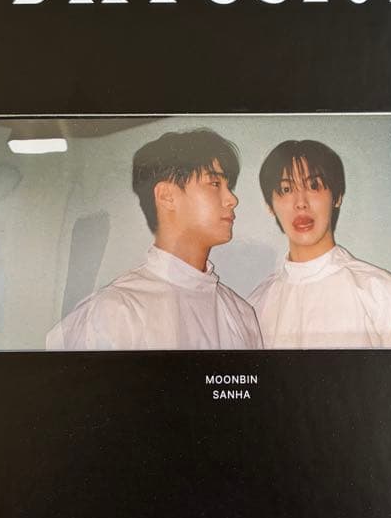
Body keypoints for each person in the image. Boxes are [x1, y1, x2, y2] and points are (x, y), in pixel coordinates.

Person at [46, 128, 262, 351]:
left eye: (228, 187)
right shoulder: (113, 314)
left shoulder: (241, 315)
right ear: (166, 196)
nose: (232, 199)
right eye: (215, 184)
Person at [248, 139, 391, 349]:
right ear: (270, 206)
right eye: (286, 189)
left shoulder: (383, 293)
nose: (301, 203)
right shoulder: (256, 306)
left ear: (337, 197)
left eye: (313, 186)